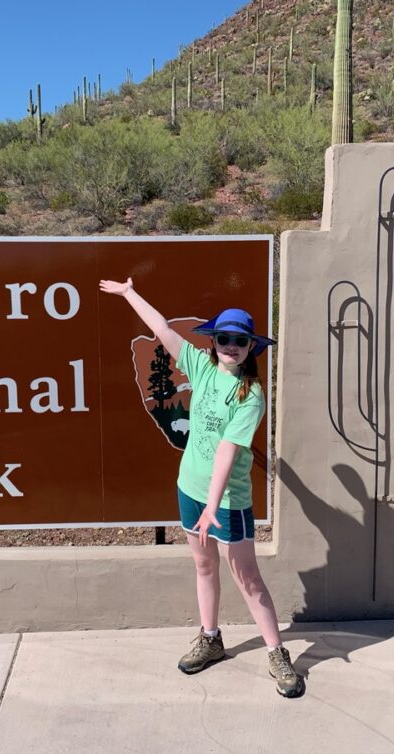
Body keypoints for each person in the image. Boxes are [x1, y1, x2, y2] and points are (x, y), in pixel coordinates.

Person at [99, 276, 303, 698]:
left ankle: (277, 653)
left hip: (227, 502)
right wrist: (129, 292)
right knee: (204, 566)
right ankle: (211, 638)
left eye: (239, 341)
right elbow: (162, 331)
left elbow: (228, 451)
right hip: (189, 489)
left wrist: (214, 506)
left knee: (247, 578)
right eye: (224, 338)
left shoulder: (250, 395)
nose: (230, 346)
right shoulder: (202, 366)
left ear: (250, 348)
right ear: (214, 342)